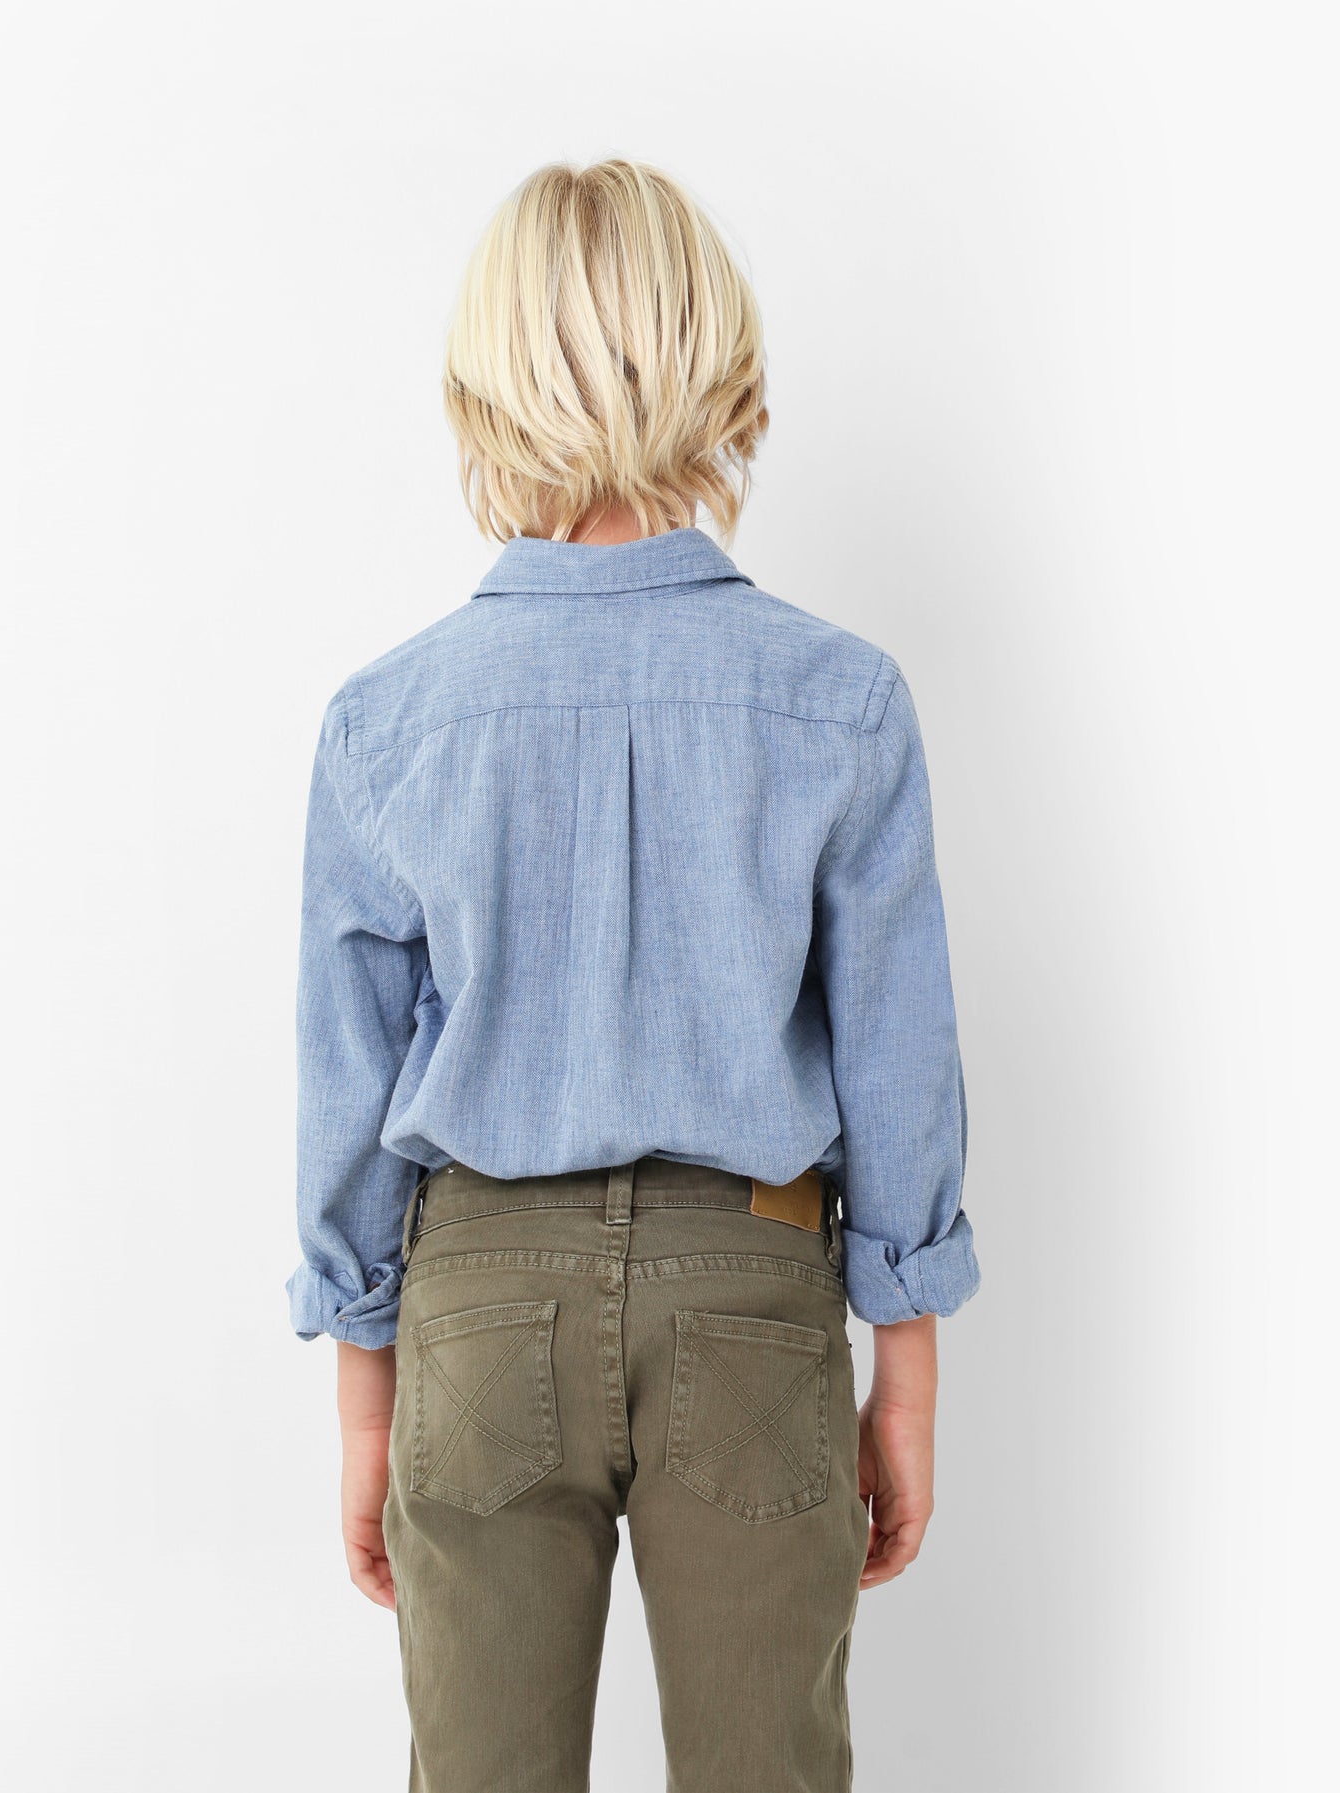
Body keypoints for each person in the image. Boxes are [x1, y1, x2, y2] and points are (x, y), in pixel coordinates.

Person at [287, 158, 979, 1793]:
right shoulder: (838, 699)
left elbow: (345, 1091)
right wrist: (906, 1372)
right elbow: (898, 1056)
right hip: (752, 1285)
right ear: (717, 360)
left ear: (481, 384)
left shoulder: (388, 722)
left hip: (475, 1300)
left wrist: (366, 1405)